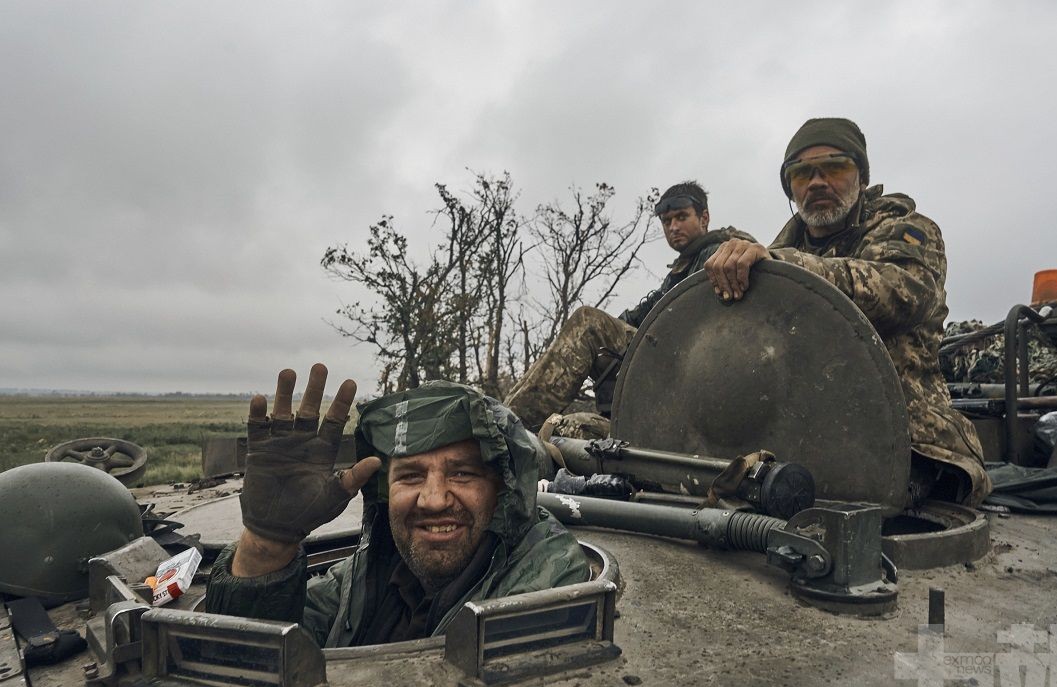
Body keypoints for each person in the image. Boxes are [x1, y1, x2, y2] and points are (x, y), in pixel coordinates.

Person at [703, 117, 991, 506]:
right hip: (795, 433)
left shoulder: (907, 230)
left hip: (906, 437)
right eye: (802, 173)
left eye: (835, 167)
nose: (817, 181)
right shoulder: (778, 253)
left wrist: (785, 268)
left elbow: (903, 293)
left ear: (863, 177)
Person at [206, 363, 591, 647]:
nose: (434, 499)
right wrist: (267, 542)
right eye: (410, 476)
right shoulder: (364, 576)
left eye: (462, 474)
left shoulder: (545, 575)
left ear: (502, 491)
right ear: (384, 491)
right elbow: (247, 655)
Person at [504, 181, 755, 430]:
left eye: (681, 217)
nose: (673, 227)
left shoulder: (719, 255)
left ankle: (507, 428)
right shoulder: (681, 270)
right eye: (667, 222)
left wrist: (600, 330)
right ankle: (505, 414)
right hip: (667, 365)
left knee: (588, 324)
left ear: (704, 218)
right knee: (572, 426)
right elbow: (638, 316)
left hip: (693, 369)